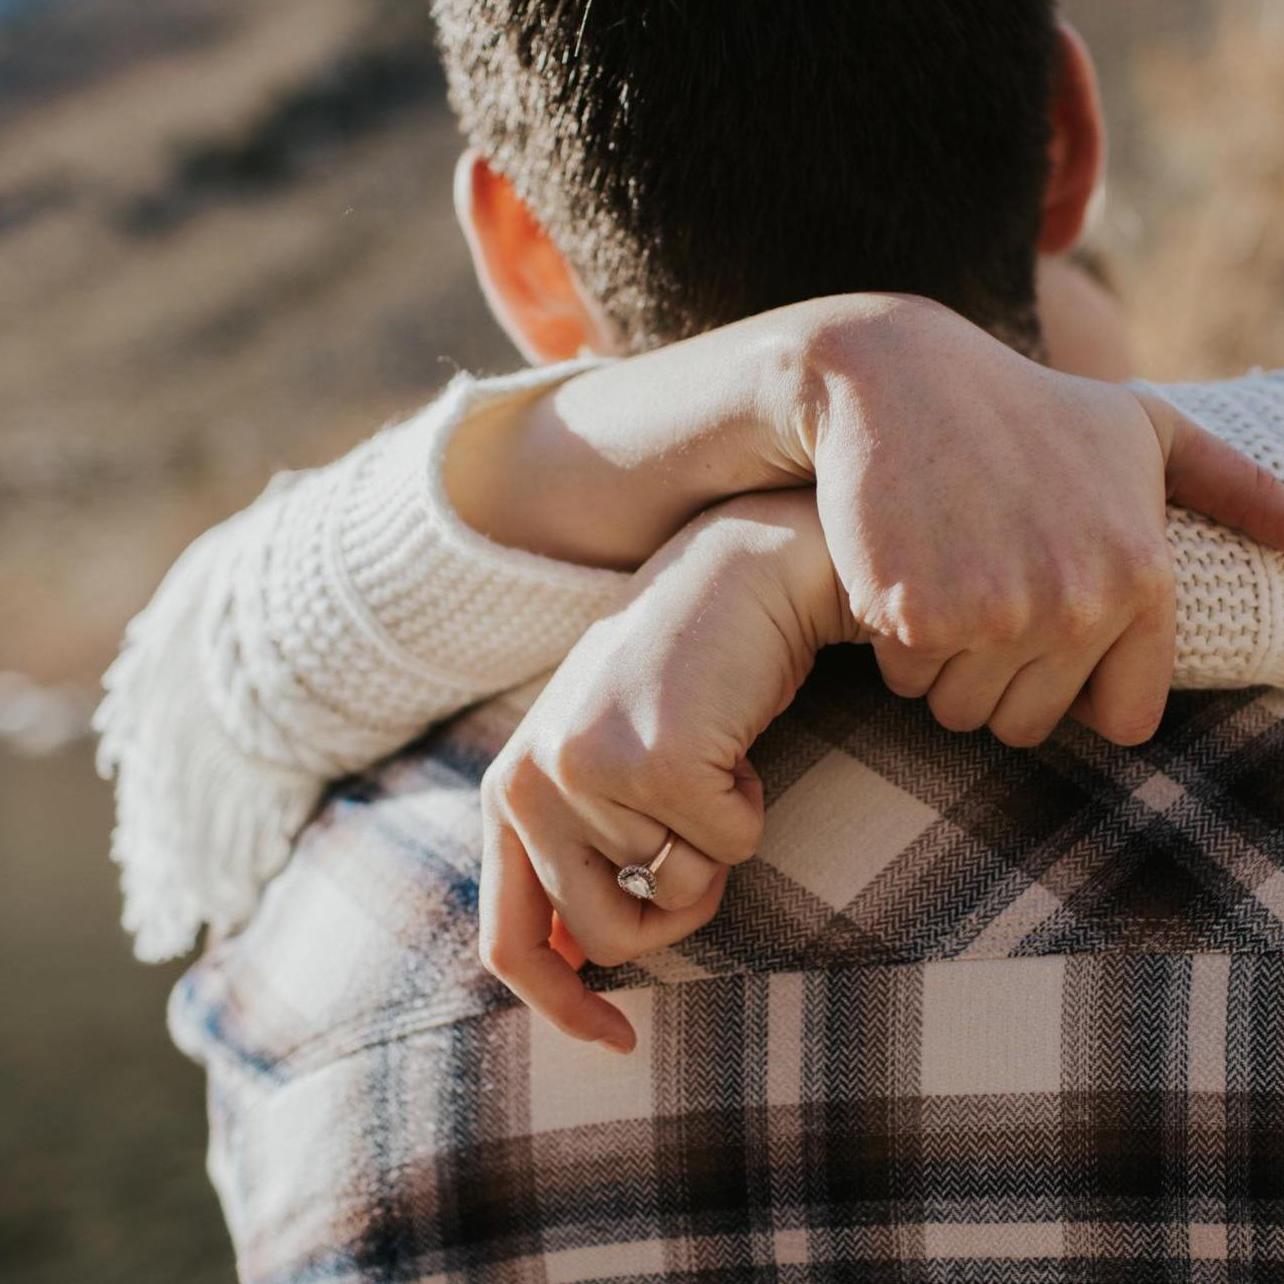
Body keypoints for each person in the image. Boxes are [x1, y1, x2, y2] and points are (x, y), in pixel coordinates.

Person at [98, 3, 1284, 1278]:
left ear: (518, 247)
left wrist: (802, 505)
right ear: (1070, 140)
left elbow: (214, 666)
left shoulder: (318, 949)